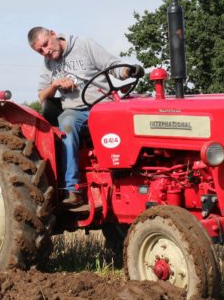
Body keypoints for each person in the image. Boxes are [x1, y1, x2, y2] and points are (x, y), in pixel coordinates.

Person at [28, 27, 143, 208]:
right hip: (75, 111)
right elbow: (42, 96)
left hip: (102, 105)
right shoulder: (47, 63)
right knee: (66, 124)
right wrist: (55, 84)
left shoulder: (83, 44)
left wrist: (129, 71)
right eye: (40, 51)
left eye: (45, 44)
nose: (46, 51)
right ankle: (73, 189)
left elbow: (112, 66)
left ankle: (135, 175)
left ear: (53, 34)